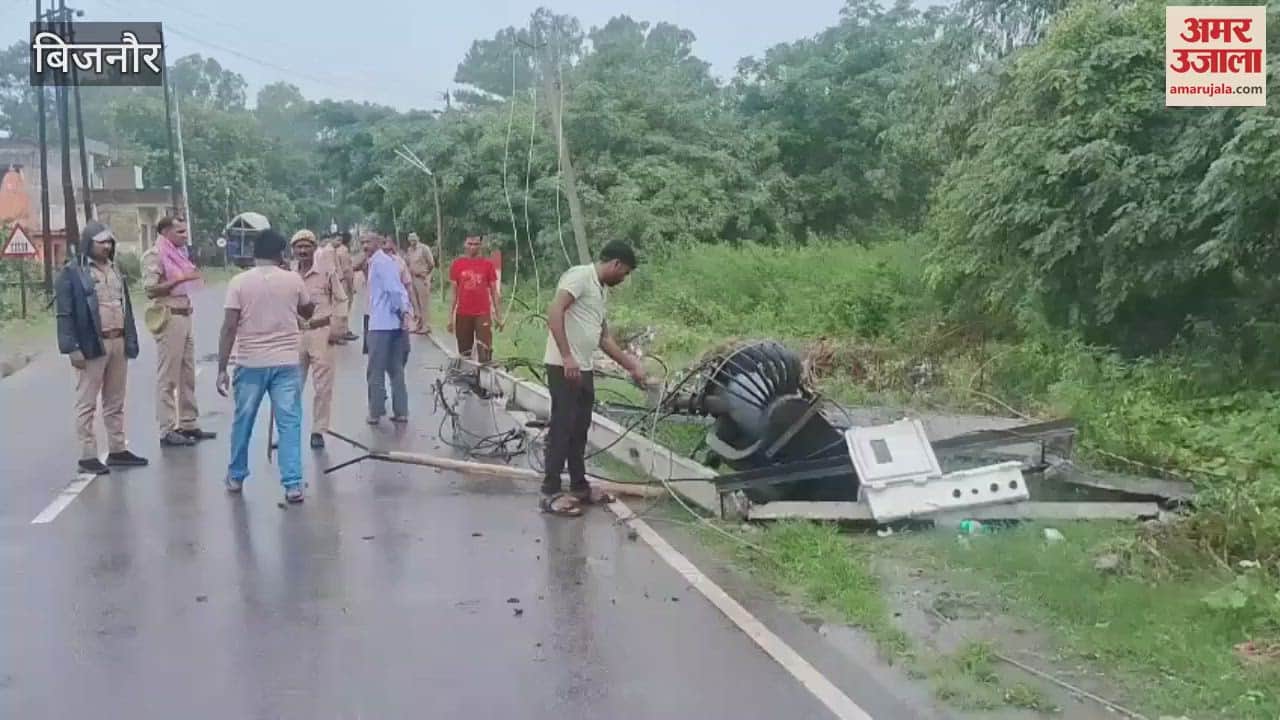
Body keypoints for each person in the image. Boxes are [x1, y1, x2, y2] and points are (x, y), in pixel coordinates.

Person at [540, 241, 647, 517]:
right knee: (562, 427)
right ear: (616, 264)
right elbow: (554, 311)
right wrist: (567, 356)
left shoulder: (601, 290)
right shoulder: (580, 276)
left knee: (580, 429)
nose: (623, 279)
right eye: (624, 273)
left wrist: (631, 365)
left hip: (583, 368)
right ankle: (550, 492)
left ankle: (579, 486)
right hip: (564, 366)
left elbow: (603, 338)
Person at [216, 229, 315, 503]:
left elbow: (229, 327)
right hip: (286, 362)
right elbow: (308, 310)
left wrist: (222, 368)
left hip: (250, 362)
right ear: (281, 254)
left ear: (254, 253)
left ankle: (236, 476)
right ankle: (293, 484)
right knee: (289, 422)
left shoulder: (239, 282)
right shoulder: (293, 280)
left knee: (243, 420)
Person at [54, 222, 149, 475]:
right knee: (87, 402)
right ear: (88, 243)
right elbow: (64, 314)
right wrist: (71, 347)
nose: (106, 246)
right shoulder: (73, 272)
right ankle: (88, 456)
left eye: (109, 242)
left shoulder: (115, 270)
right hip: (91, 344)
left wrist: (130, 340)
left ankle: (117, 449)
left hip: (118, 340)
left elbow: (125, 306)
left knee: (115, 400)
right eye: (101, 242)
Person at [142, 216, 216, 447]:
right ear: (165, 232)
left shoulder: (179, 254)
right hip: (169, 317)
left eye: (185, 231)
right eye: (180, 232)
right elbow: (150, 290)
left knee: (187, 373)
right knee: (168, 376)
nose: (185, 236)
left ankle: (188, 423)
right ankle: (167, 429)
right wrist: (179, 279)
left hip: (185, 315)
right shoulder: (155, 255)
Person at [292, 230, 347, 449]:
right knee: (290, 386)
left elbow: (341, 299)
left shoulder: (326, 270)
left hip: (322, 333)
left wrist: (337, 328)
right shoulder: (288, 274)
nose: (303, 251)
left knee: (323, 386)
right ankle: (289, 429)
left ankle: (318, 430)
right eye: (299, 247)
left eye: (307, 246)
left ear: (314, 248)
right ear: (293, 250)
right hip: (296, 334)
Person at [365, 234, 412, 425]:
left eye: (368, 242)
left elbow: (394, 290)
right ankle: (401, 411)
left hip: (381, 324)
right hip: (392, 324)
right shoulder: (381, 262)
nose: (365, 246)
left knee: (375, 370)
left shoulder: (380, 263)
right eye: (362, 242)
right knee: (395, 369)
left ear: (378, 243)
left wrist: (402, 312)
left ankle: (375, 412)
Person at [448, 235, 503, 363]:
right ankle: (467, 374)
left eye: (476, 244)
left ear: (481, 245)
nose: (473, 247)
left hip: (482, 313)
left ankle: (484, 372)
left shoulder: (488, 265)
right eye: (470, 243)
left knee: (485, 352)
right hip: (463, 313)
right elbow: (454, 294)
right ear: (465, 244)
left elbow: (494, 292)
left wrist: (498, 316)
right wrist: (450, 318)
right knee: (464, 353)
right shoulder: (457, 264)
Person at [404, 231, 435, 334]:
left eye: (414, 238)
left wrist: (426, 275)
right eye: (410, 239)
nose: (412, 241)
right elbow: (407, 262)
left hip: (421, 278)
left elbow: (431, 263)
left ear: (418, 238)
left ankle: (426, 325)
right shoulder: (409, 250)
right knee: (415, 302)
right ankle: (419, 324)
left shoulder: (424, 248)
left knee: (423, 302)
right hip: (412, 278)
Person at [330, 231, 357, 344]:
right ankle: (342, 332)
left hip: (335, 282)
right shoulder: (344, 251)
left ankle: (339, 332)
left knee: (337, 308)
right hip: (343, 282)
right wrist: (351, 286)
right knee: (344, 309)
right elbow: (347, 270)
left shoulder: (334, 250)